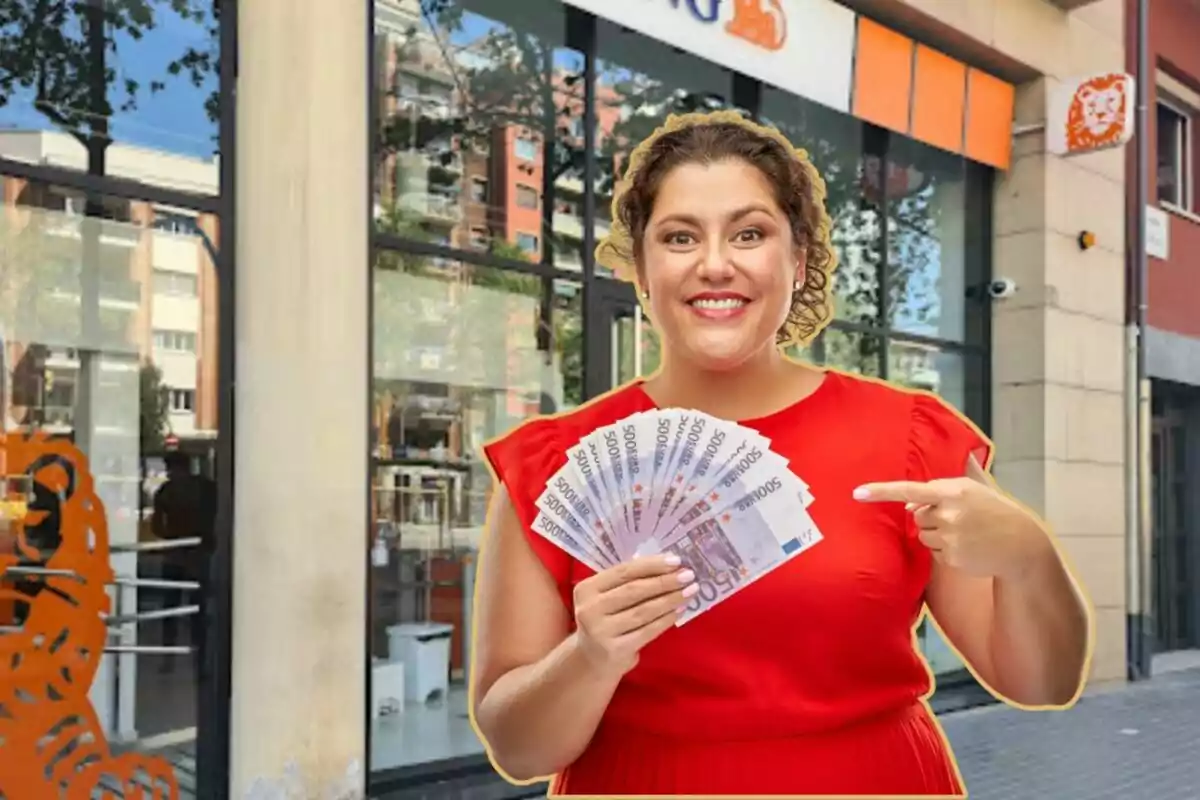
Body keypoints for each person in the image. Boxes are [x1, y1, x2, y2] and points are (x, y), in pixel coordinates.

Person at [470, 110, 1092, 796]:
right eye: (679, 237)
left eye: (749, 233)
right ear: (642, 269)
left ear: (796, 262)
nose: (714, 264)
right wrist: (589, 657)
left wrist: (1031, 558)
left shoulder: (913, 439)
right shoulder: (550, 467)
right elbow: (516, 746)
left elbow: (1042, 684)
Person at [152, 450, 217, 676]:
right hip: (197, 555)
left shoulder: (166, 491)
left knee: (170, 609)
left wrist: (173, 537)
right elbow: (216, 519)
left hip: (176, 555)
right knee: (197, 611)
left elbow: (156, 526)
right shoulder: (207, 488)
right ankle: (200, 662)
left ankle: (169, 658)